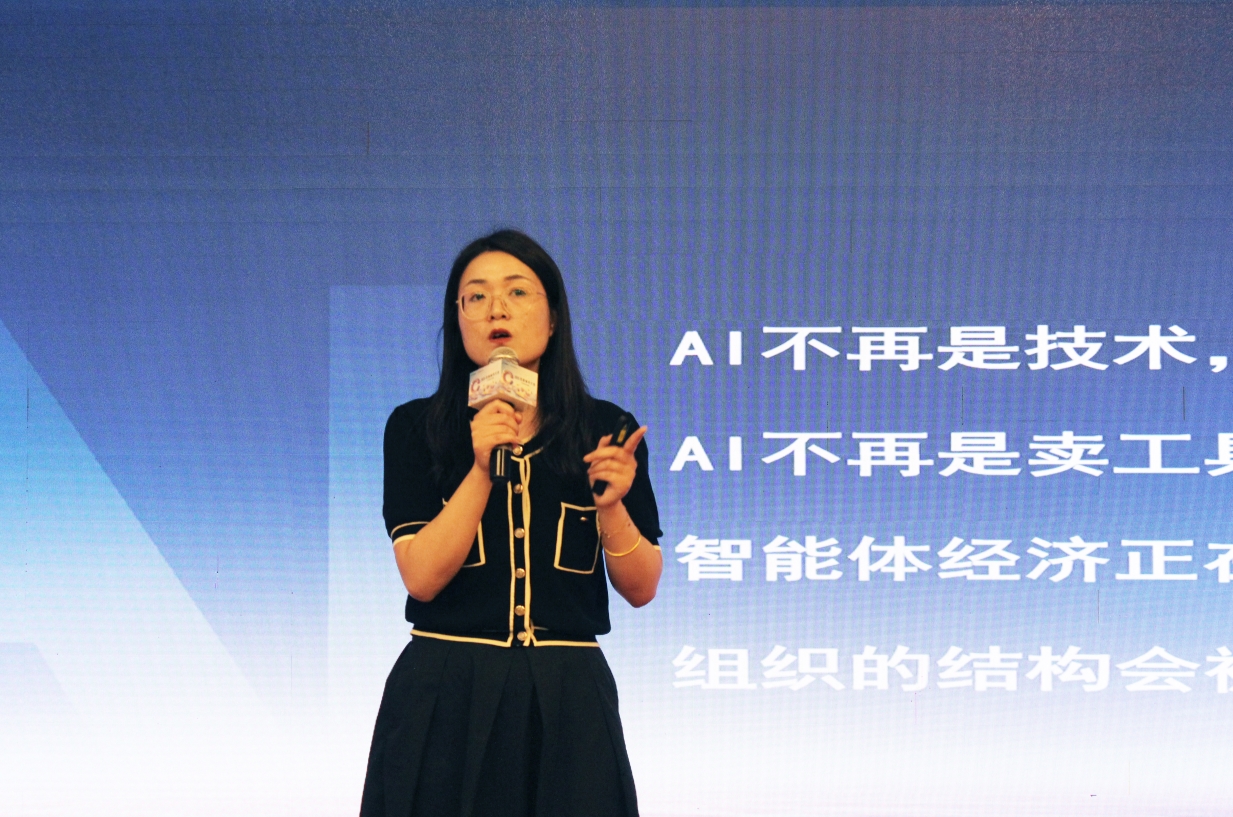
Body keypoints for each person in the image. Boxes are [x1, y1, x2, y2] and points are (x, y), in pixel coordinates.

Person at [360, 230, 663, 817]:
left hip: (569, 693)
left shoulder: (607, 429)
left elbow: (642, 588)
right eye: (476, 296)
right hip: (446, 691)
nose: (496, 309)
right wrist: (481, 468)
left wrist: (612, 506)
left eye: (518, 292)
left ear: (553, 318)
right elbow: (421, 577)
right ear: (458, 320)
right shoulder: (416, 428)